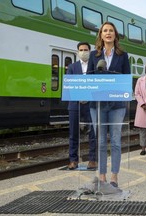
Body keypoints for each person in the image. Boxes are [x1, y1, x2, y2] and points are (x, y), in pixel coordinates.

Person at [87, 21, 130, 187]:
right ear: (101, 35)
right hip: (97, 104)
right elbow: (90, 77)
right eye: (105, 30)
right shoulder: (94, 55)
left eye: (111, 30)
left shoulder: (123, 55)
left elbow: (126, 79)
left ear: (115, 35)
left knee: (116, 141)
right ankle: (102, 175)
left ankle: (114, 176)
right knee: (101, 142)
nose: (108, 33)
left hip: (117, 104)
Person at [67, 42, 97, 170]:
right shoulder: (72, 67)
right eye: (81, 50)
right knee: (73, 133)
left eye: (86, 49)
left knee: (93, 133)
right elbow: (69, 85)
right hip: (75, 103)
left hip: (91, 104)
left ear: (90, 52)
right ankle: (73, 160)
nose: (83, 52)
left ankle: (92, 160)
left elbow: (97, 84)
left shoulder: (95, 67)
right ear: (77, 52)